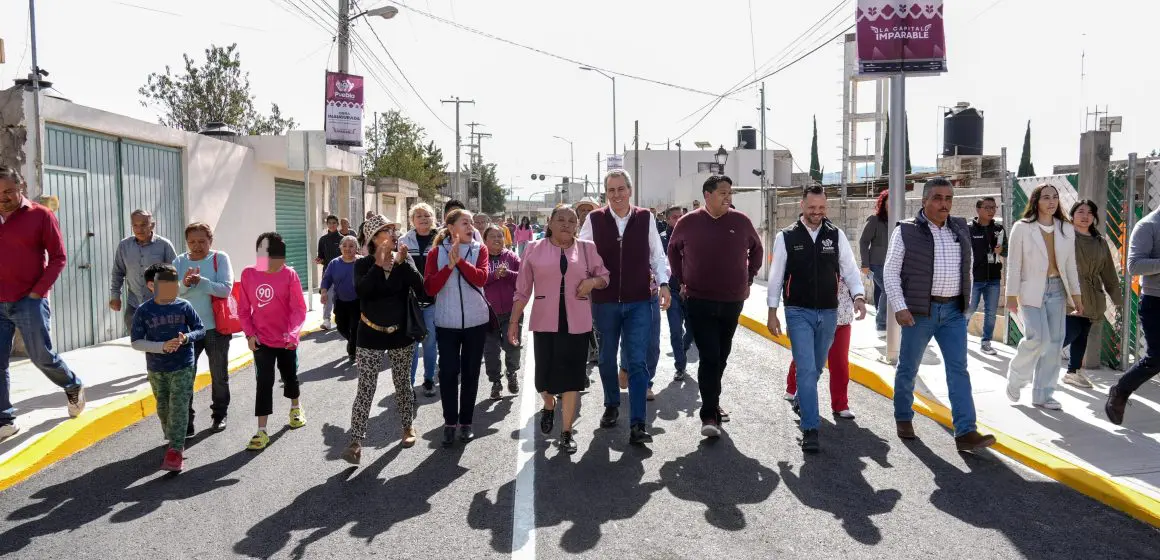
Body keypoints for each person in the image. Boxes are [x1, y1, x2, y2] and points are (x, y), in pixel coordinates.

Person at [884, 177, 996, 451]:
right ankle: (903, 417)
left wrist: (967, 301)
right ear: (924, 201)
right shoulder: (906, 231)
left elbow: (966, 267)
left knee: (959, 370)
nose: (944, 204)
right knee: (908, 368)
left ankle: (966, 432)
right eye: (937, 198)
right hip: (920, 312)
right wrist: (899, 307)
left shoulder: (959, 228)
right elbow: (890, 272)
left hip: (954, 312)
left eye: (948, 198)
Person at [766, 185, 865, 452]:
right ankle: (810, 427)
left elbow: (850, 269)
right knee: (807, 368)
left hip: (830, 311)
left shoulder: (836, 235)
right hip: (797, 311)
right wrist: (772, 312)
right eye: (812, 208)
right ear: (802, 206)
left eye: (821, 208)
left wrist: (858, 295)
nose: (816, 213)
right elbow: (775, 277)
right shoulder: (786, 236)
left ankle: (801, 396)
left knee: (817, 365)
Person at [579, 169, 671, 445]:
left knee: (637, 361)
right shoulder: (594, 220)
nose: (617, 195)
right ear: (605, 194)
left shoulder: (645, 217)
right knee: (606, 359)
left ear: (630, 191)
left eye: (621, 189)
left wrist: (664, 283)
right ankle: (611, 404)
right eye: (611, 190)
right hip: (605, 303)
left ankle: (638, 423)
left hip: (640, 301)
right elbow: (580, 254)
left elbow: (657, 254)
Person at [509, 205, 609, 453]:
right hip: (545, 321)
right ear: (550, 223)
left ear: (577, 225)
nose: (566, 224)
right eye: (560, 219)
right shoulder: (534, 249)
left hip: (578, 322)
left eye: (571, 220)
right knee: (542, 380)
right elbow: (522, 290)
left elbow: (604, 276)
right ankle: (548, 404)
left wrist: (591, 282)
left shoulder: (587, 248)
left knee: (572, 378)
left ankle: (566, 432)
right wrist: (513, 321)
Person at [669, 176, 763, 437]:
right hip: (699, 300)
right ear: (707, 195)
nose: (728, 197)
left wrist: (750, 276)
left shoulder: (741, 221)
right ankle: (709, 414)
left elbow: (757, 249)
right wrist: (681, 279)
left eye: (730, 193)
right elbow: (672, 250)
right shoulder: (688, 223)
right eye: (723, 192)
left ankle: (713, 399)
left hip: (732, 301)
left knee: (721, 355)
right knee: (709, 355)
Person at [0, 166, 85, 442]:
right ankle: (5, 419)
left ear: (20, 186)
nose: (3, 198)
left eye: (8, 191)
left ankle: (71, 384)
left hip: (29, 300)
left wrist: (38, 292)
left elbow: (59, 256)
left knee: (41, 356)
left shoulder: (40, 215)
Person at [341, 215, 426, 464]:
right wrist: (379, 264)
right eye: (387, 230)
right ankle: (356, 441)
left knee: (402, 384)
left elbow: (421, 289)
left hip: (400, 334)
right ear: (374, 239)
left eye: (393, 229)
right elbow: (363, 291)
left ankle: (408, 427)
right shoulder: (363, 264)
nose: (393, 233)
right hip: (369, 334)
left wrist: (404, 263)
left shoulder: (404, 260)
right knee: (365, 389)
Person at [1004, 184, 1083, 410]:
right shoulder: (1022, 228)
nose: (1052, 201)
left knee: (1055, 342)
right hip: (1030, 290)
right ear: (1036, 201)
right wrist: (1011, 295)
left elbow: (1070, 266)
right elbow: (1014, 264)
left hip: (1057, 289)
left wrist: (1076, 296)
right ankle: (1016, 377)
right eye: (1046, 197)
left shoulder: (1065, 228)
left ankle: (1043, 394)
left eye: (1055, 197)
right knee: (1037, 338)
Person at [425, 208, 491, 447]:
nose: (471, 226)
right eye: (465, 222)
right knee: (449, 373)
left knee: (471, 373)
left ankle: (466, 423)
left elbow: (481, 279)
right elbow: (430, 288)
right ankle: (450, 423)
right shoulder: (435, 253)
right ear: (450, 227)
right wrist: (449, 266)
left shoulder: (479, 249)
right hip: (447, 324)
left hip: (476, 322)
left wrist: (460, 261)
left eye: (472, 223)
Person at [130, 263, 205, 472]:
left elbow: (200, 330)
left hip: (183, 365)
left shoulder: (184, 306)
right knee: (164, 407)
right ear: (151, 285)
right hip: (157, 368)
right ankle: (172, 437)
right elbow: (136, 341)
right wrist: (161, 347)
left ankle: (175, 450)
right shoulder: (144, 311)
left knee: (179, 406)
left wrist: (186, 338)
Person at [237, 232, 308, 450]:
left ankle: (295, 407)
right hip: (261, 339)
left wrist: (292, 333)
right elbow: (243, 310)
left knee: (289, 376)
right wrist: (249, 334)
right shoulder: (249, 274)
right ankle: (262, 430)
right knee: (264, 382)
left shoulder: (289, 275)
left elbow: (298, 308)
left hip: (286, 339)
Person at [173, 222, 234, 433]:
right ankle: (186, 422)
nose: (197, 246)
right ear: (186, 242)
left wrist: (202, 282)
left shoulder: (219, 258)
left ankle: (219, 415)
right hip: (187, 331)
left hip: (215, 328)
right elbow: (172, 292)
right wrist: (186, 284)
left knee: (219, 375)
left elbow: (225, 290)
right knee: (185, 377)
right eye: (192, 242)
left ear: (211, 241)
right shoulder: (179, 261)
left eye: (202, 241)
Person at [1108, 203, 1160, 425]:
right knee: (1157, 358)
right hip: (1156, 301)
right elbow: (1135, 265)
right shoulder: (1148, 225)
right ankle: (1121, 390)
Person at [1062, 200, 1121, 388]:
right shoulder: (1064, 237)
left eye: (1090, 212)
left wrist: (1117, 297)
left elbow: (1109, 272)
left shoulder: (1100, 242)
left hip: (1092, 293)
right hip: (1069, 291)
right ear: (1072, 215)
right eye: (1080, 211)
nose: (1085, 216)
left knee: (1082, 334)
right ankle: (1037, 356)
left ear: (1094, 217)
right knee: (1071, 330)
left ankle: (1073, 371)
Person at [786, 278, 856, 420]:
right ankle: (792, 387)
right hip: (815, 317)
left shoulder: (846, 257)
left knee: (840, 364)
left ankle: (840, 404)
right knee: (806, 358)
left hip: (842, 318)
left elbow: (854, 279)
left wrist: (859, 297)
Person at [110, 209, 178, 333]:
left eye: (143, 225)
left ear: (152, 225)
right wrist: (115, 296)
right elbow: (118, 272)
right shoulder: (124, 246)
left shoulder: (164, 245)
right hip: (134, 304)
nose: (139, 229)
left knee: (159, 343)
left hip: (160, 306)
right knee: (139, 342)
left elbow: (175, 273)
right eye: (135, 225)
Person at [401, 202, 440, 395]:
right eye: (419, 216)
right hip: (411, 303)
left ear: (433, 218)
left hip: (434, 302)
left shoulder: (442, 240)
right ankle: (409, 384)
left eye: (427, 215)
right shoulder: (404, 241)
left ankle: (429, 380)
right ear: (412, 220)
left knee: (430, 344)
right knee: (412, 346)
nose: (423, 219)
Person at [482, 225, 522, 400]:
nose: (498, 239)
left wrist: (509, 274)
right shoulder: (480, 258)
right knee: (490, 350)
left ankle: (512, 373)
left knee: (512, 345)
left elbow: (524, 278)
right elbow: (476, 279)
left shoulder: (512, 257)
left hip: (511, 312)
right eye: (493, 236)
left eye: (500, 236)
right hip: (487, 314)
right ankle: (495, 382)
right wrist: (493, 276)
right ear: (485, 241)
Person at [968, 196, 1007, 355]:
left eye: (993, 207)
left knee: (991, 313)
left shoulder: (999, 228)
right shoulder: (969, 228)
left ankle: (986, 342)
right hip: (974, 279)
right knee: (969, 309)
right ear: (978, 209)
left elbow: (1007, 249)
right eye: (987, 207)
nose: (991, 210)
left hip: (993, 278)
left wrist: (1001, 251)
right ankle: (959, 339)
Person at [660, 205, 693, 379]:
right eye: (674, 217)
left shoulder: (693, 236)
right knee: (675, 330)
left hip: (692, 291)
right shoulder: (661, 239)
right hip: (672, 291)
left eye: (681, 216)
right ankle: (680, 365)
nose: (678, 219)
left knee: (692, 329)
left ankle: (683, 348)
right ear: (667, 219)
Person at [321, 236, 361, 362]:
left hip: (357, 301)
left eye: (351, 246)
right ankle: (352, 341)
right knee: (341, 326)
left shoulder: (361, 262)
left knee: (354, 326)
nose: (347, 249)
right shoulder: (334, 263)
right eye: (344, 246)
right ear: (340, 248)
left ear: (356, 248)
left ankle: (352, 350)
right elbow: (327, 279)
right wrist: (324, 292)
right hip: (340, 300)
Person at [859, 190, 890, 333]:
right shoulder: (874, 220)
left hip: (892, 264)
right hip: (876, 264)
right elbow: (864, 241)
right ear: (883, 203)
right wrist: (865, 264)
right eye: (889, 201)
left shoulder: (897, 221)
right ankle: (881, 324)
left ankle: (890, 323)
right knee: (887, 289)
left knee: (887, 291)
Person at [316, 215, 344, 330]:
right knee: (327, 295)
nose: (331, 225)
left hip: (342, 271)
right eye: (329, 223)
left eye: (334, 223)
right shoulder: (323, 240)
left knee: (340, 296)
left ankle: (341, 318)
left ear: (337, 224)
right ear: (326, 225)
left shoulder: (343, 239)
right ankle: (326, 320)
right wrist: (320, 260)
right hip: (328, 272)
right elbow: (321, 256)